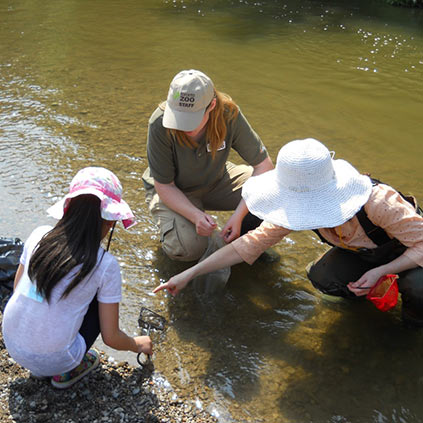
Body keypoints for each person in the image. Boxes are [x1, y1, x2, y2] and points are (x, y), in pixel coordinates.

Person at [153, 138, 423, 327]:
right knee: (323, 278)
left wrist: (382, 270)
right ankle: (363, 307)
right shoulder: (297, 203)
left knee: (417, 288)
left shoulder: (377, 202)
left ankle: (412, 323)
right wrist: (189, 273)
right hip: (363, 253)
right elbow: (248, 244)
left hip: (411, 250)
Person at [2, 167, 153, 389]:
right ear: (110, 221)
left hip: (12, 343)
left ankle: (40, 362)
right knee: (98, 304)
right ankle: (65, 372)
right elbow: (111, 337)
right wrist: (137, 344)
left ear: (68, 208)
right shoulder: (105, 265)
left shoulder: (38, 235)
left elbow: (17, 289)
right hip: (56, 360)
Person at [142, 69, 274, 262]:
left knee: (275, 188)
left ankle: (242, 244)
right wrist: (195, 216)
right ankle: (176, 230)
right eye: (177, 116)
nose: (182, 126)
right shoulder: (159, 123)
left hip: (217, 179)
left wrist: (238, 217)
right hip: (174, 189)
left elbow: (264, 167)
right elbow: (164, 185)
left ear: (211, 105)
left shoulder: (229, 114)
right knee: (187, 249)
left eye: (190, 120)